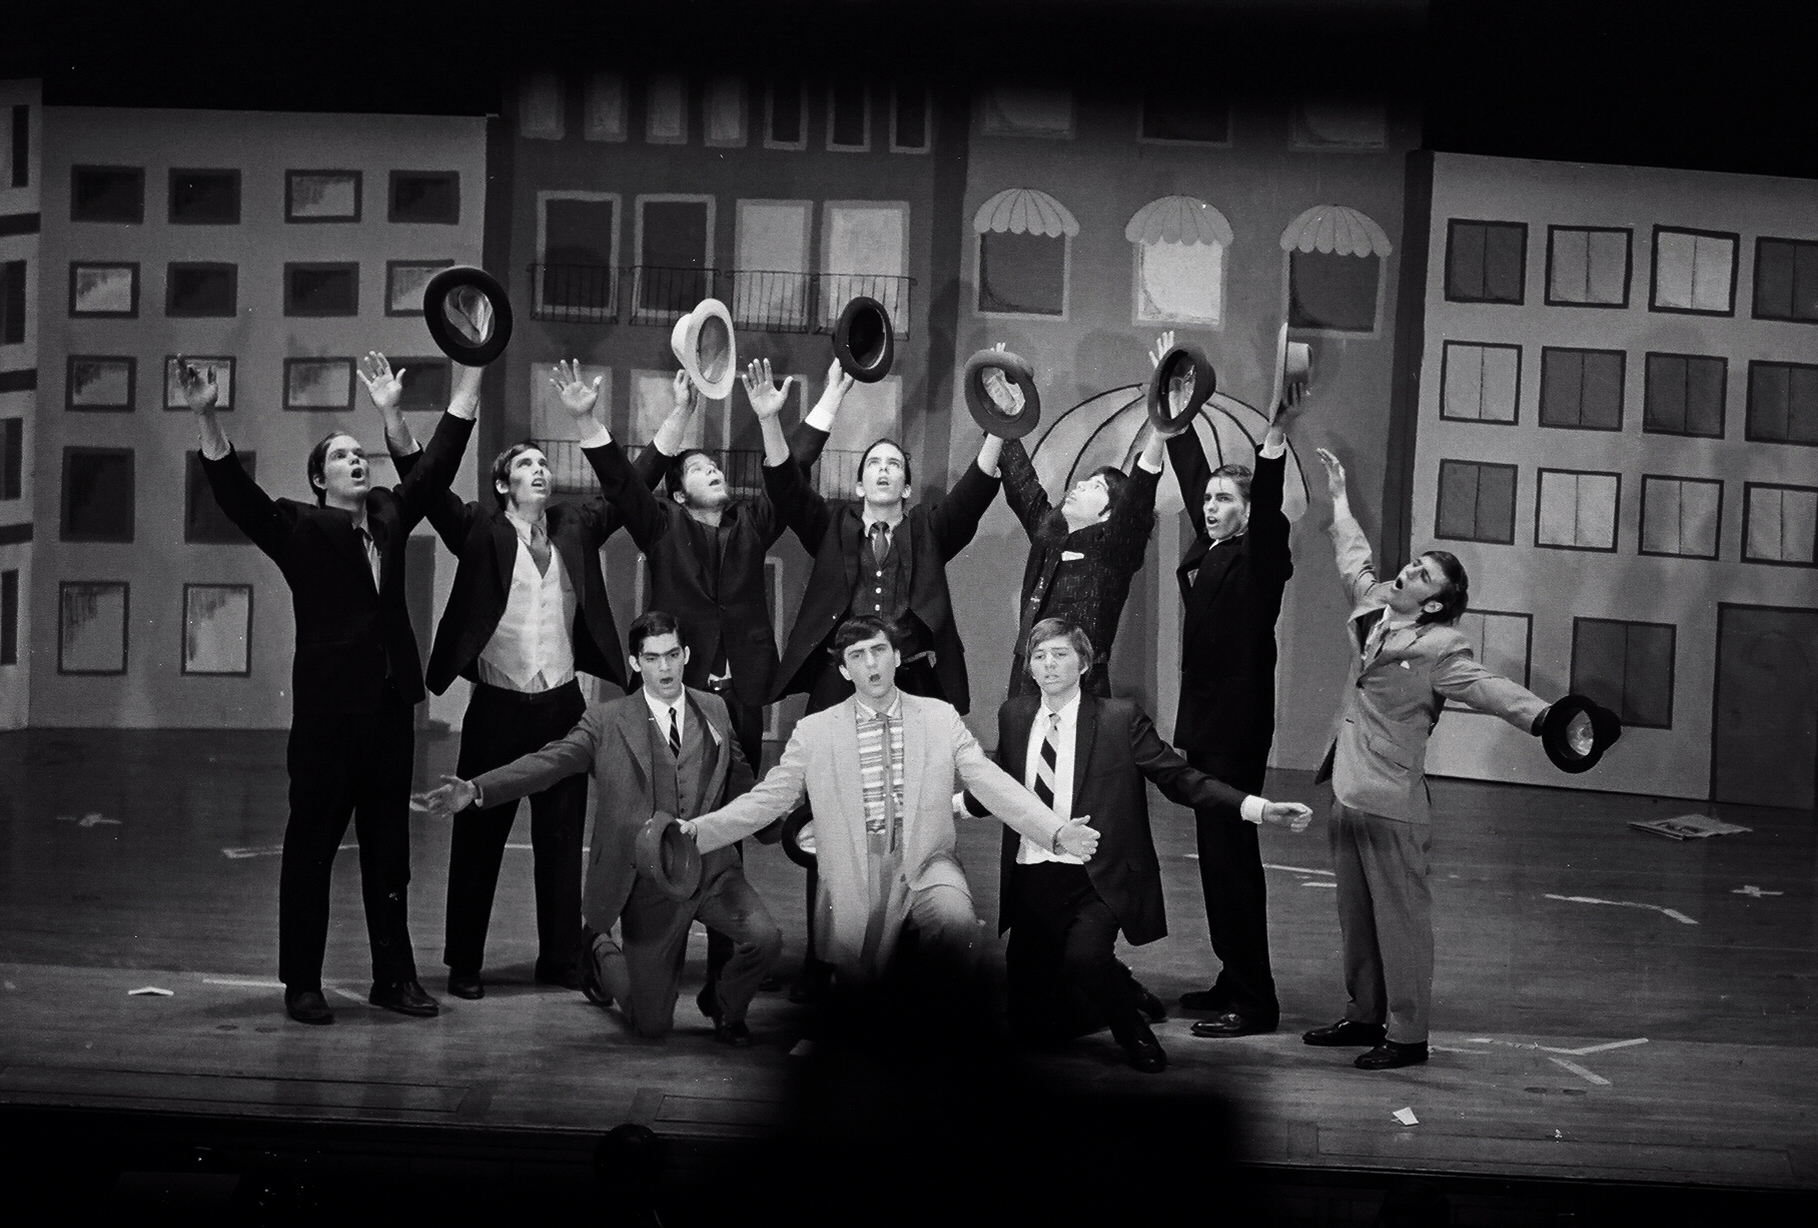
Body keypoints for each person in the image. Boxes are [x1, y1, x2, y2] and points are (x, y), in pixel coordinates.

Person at [181, 351, 479, 1026]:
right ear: (320, 479)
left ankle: (394, 979)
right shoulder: (299, 525)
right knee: (312, 848)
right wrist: (206, 415)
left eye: (359, 453)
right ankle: (303, 983)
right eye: (341, 456)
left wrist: (467, 371)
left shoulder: (390, 516)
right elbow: (235, 495)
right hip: (328, 717)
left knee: (389, 853)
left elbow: (438, 464)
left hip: (389, 711)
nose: (357, 460)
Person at [381, 356, 663, 1001]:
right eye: (526, 465)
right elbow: (420, 476)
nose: (541, 471)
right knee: (479, 833)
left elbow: (633, 483)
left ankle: (560, 958)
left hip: (563, 706)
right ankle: (465, 961)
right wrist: (393, 414)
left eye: (543, 464)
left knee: (561, 840)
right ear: (503, 484)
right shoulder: (478, 528)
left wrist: (670, 414)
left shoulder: (574, 527)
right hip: (498, 706)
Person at [587, 357, 848, 1011]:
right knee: (659, 822)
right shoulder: (661, 524)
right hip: (675, 699)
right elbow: (621, 481)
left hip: (742, 699)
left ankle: (724, 974)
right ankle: (626, 949)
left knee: (730, 826)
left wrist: (812, 407)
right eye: (701, 469)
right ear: (677, 494)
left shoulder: (751, 525)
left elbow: (791, 472)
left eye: (716, 468)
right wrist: (604, 420)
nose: (715, 473)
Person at [417, 612, 783, 1045]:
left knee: (765, 939)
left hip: (712, 872)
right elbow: (549, 762)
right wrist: (478, 788)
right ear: (635, 663)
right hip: (649, 883)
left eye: (672, 655)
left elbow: (741, 782)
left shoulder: (715, 709)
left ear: (686, 655)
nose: (664, 668)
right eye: (652, 658)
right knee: (652, 1024)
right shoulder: (605, 722)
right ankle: (598, 949)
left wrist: (785, 826)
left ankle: (724, 1005)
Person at [1308, 448, 1560, 1070]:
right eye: (1413, 564)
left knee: (1400, 922)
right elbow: (1354, 560)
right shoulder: (1375, 609)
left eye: (1421, 576)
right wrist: (1339, 497)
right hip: (1347, 787)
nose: (1407, 572)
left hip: (1392, 800)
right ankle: (1364, 1014)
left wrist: (1549, 720)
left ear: (1434, 605)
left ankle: (1408, 1034)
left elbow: (1490, 688)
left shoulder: (1442, 648)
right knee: (1356, 916)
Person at [680, 615, 1100, 987]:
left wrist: (1056, 831)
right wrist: (700, 832)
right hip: (853, 869)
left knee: (957, 927)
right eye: (857, 656)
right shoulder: (814, 731)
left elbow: (991, 782)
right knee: (863, 988)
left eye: (879, 650)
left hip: (928, 859)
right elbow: (766, 800)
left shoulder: (939, 717)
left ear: (897, 657)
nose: (871, 663)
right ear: (844, 670)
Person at [970, 618, 1312, 1072]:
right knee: (1033, 1027)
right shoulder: (1013, 716)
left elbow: (1180, 777)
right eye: (1039, 656)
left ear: (1084, 664)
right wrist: (944, 805)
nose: (1048, 664)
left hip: (1097, 876)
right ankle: (1122, 988)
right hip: (1034, 874)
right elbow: (1000, 787)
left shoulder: (1119, 718)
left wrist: (1258, 808)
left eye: (1060, 654)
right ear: (1029, 667)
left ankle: (1132, 1029)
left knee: (1085, 959)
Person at [764, 413, 1005, 999]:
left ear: (906, 485)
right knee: (829, 819)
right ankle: (824, 961)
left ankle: (903, 955)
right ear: (859, 483)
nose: (883, 470)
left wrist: (999, 426)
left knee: (913, 818)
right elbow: (787, 486)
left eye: (894, 464)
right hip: (838, 687)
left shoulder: (927, 529)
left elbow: (972, 493)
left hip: (913, 686)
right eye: (873, 463)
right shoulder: (832, 525)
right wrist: (770, 418)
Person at [1154, 329, 1305, 1040]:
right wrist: (1174, 413)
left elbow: (1268, 509)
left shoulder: (1261, 555)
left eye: (1224, 499)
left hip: (1236, 732)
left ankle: (1255, 999)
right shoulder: (1213, 545)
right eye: (1209, 499)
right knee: (1217, 863)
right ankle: (1232, 975)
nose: (1211, 506)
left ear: (1248, 510)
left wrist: (1274, 437)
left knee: (1233, 862)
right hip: (1207, 727)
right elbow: (1192, 480)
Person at [983, 362, 1168, 698]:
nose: (1080, 485)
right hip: (1028, 678)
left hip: (1082, 687)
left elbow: (1137, 501)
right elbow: (1021, 480)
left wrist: (1159, 431)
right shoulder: (1048, 532)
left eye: (1096, 486)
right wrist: (1003, 416)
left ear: (1108, 513)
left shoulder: (1112, 549)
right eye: (1085, 480)